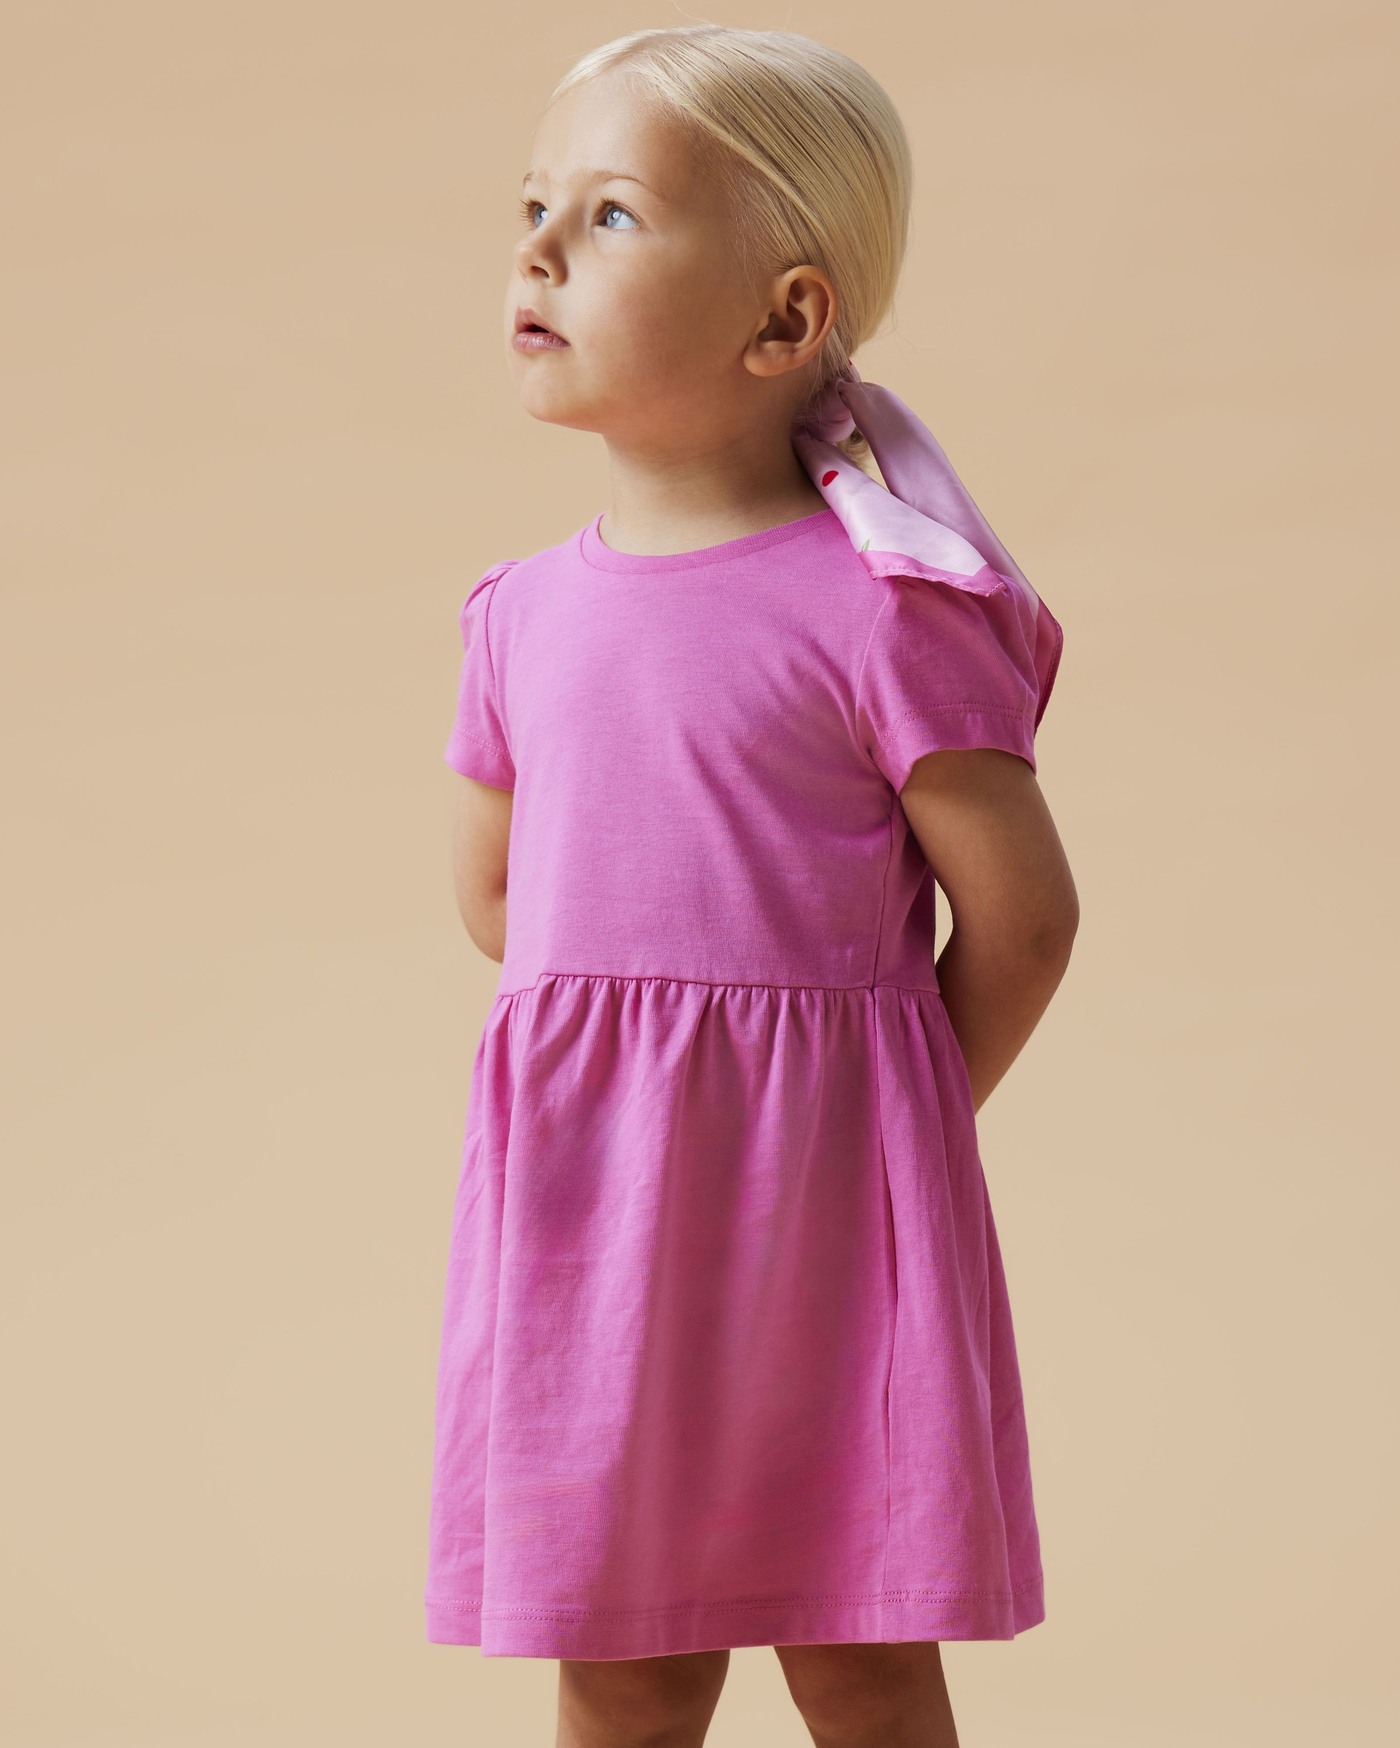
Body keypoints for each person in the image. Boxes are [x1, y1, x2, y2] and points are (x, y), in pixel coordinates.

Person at [424, 25, 1079, 1748]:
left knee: (858, 1647)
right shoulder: (517, 616)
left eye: (611, 215)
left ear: (786, 321)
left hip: (823, 1217)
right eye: (534, 207)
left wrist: (881, 1120)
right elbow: (502, 905)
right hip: (593, 1222)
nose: (539, 251)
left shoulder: (883, 610)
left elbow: (1024, 917)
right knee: (620, 1659)